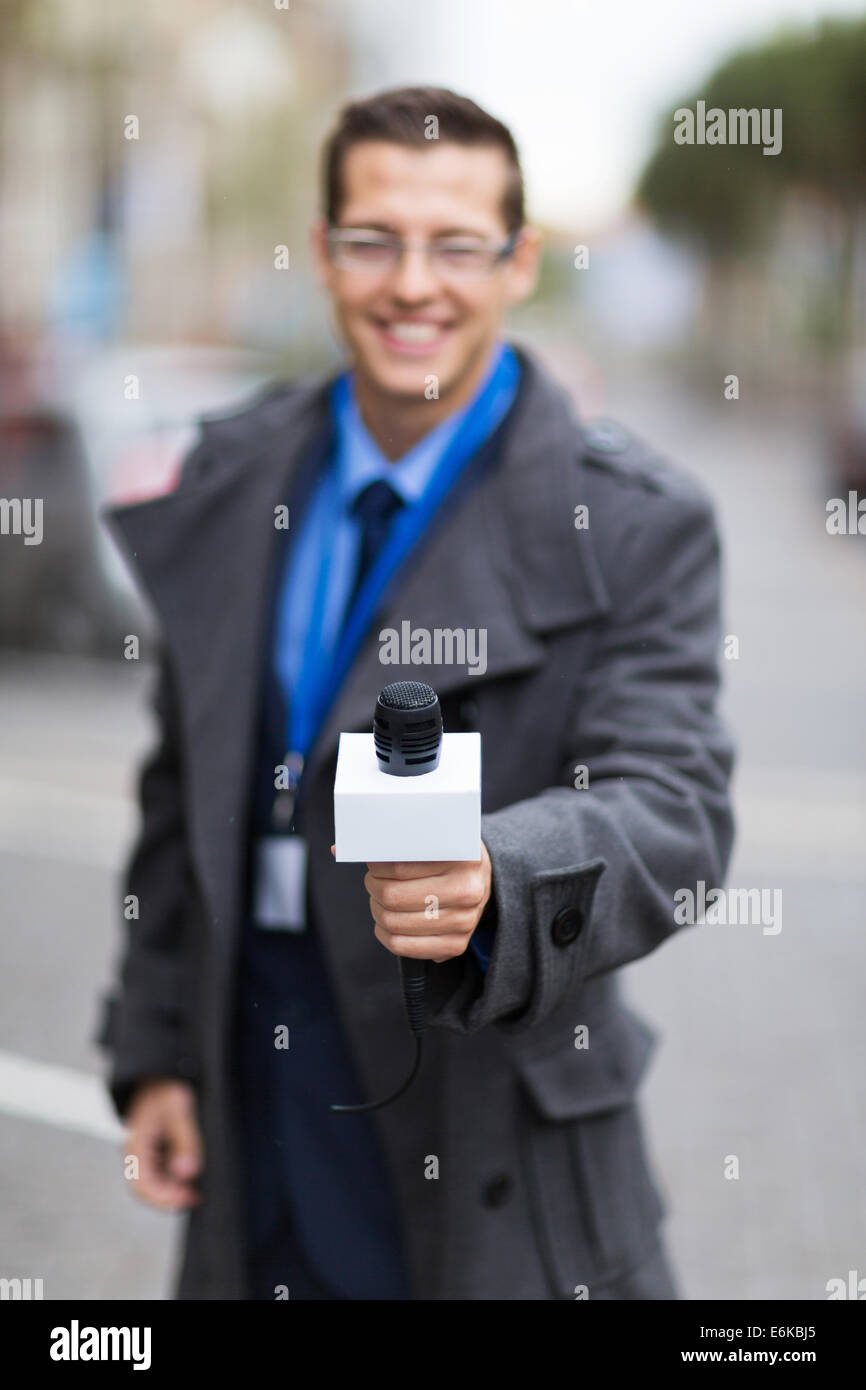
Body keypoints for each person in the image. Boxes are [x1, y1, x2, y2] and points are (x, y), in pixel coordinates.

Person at [95, 85, 735, 1300]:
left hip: (483, 1083)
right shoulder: (232, 471)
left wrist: (497, 873)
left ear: (517, 262)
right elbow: (180, 792)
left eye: (454, 245)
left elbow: (675, 811)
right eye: (373, 239)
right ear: (325, 249)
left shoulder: (640, 522)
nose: (410, 284)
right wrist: (158, 1045)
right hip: (255, 1064)